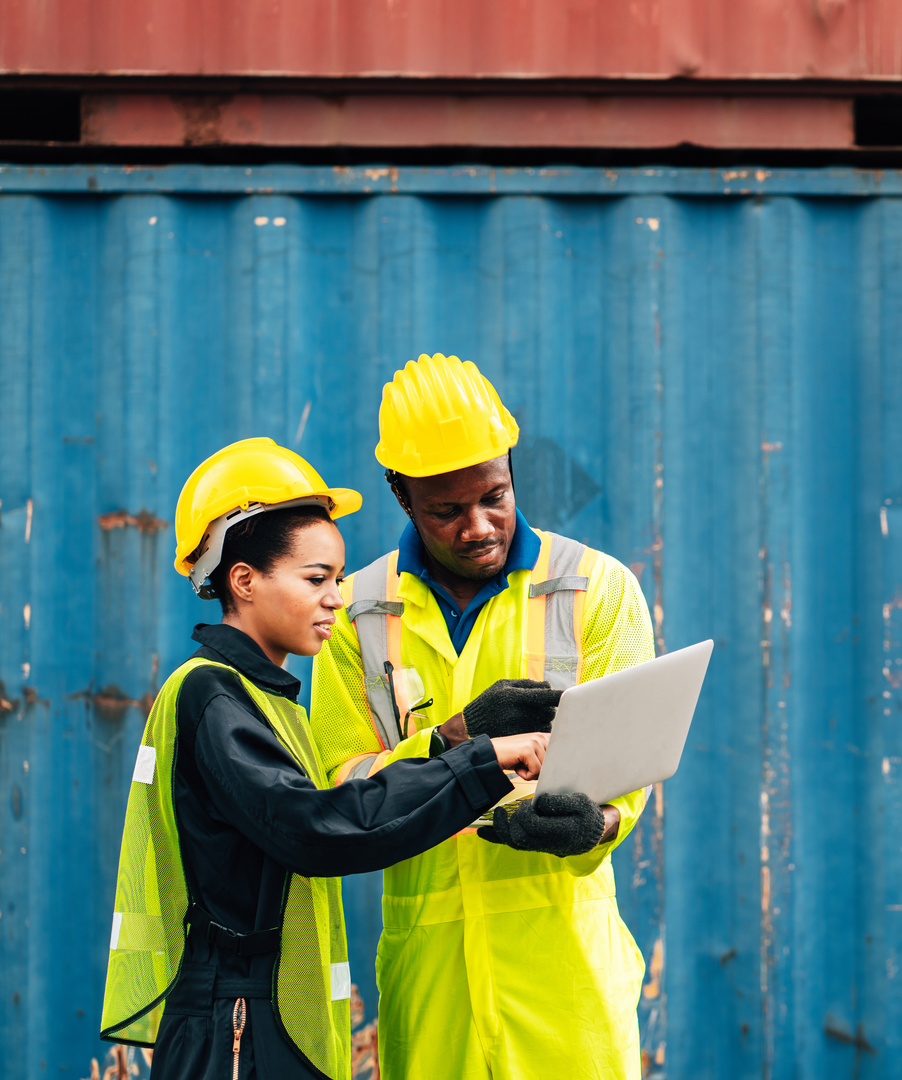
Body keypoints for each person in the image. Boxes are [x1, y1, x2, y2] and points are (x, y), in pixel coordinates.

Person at [99, 437, 551, 1080]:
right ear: (245, 580)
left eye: (337, 579)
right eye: (316, 579)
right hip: (235, 1030)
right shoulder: (213, 694)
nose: (337, 597)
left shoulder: (266, 699)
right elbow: (318, 827)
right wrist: (481, 762)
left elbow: (338, 808)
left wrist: (454, 750)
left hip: (259, 1016)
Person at [308, 353, 656, 1079]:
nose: (478, 526)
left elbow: (630, 778)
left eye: (494, 496)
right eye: (446, 510)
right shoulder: (354, 617)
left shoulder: (597, 591)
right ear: (400, 495)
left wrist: (596, 826)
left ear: (510, 466)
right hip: (432, 986)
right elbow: (342, 791)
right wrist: (451, 740)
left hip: (567, 988)